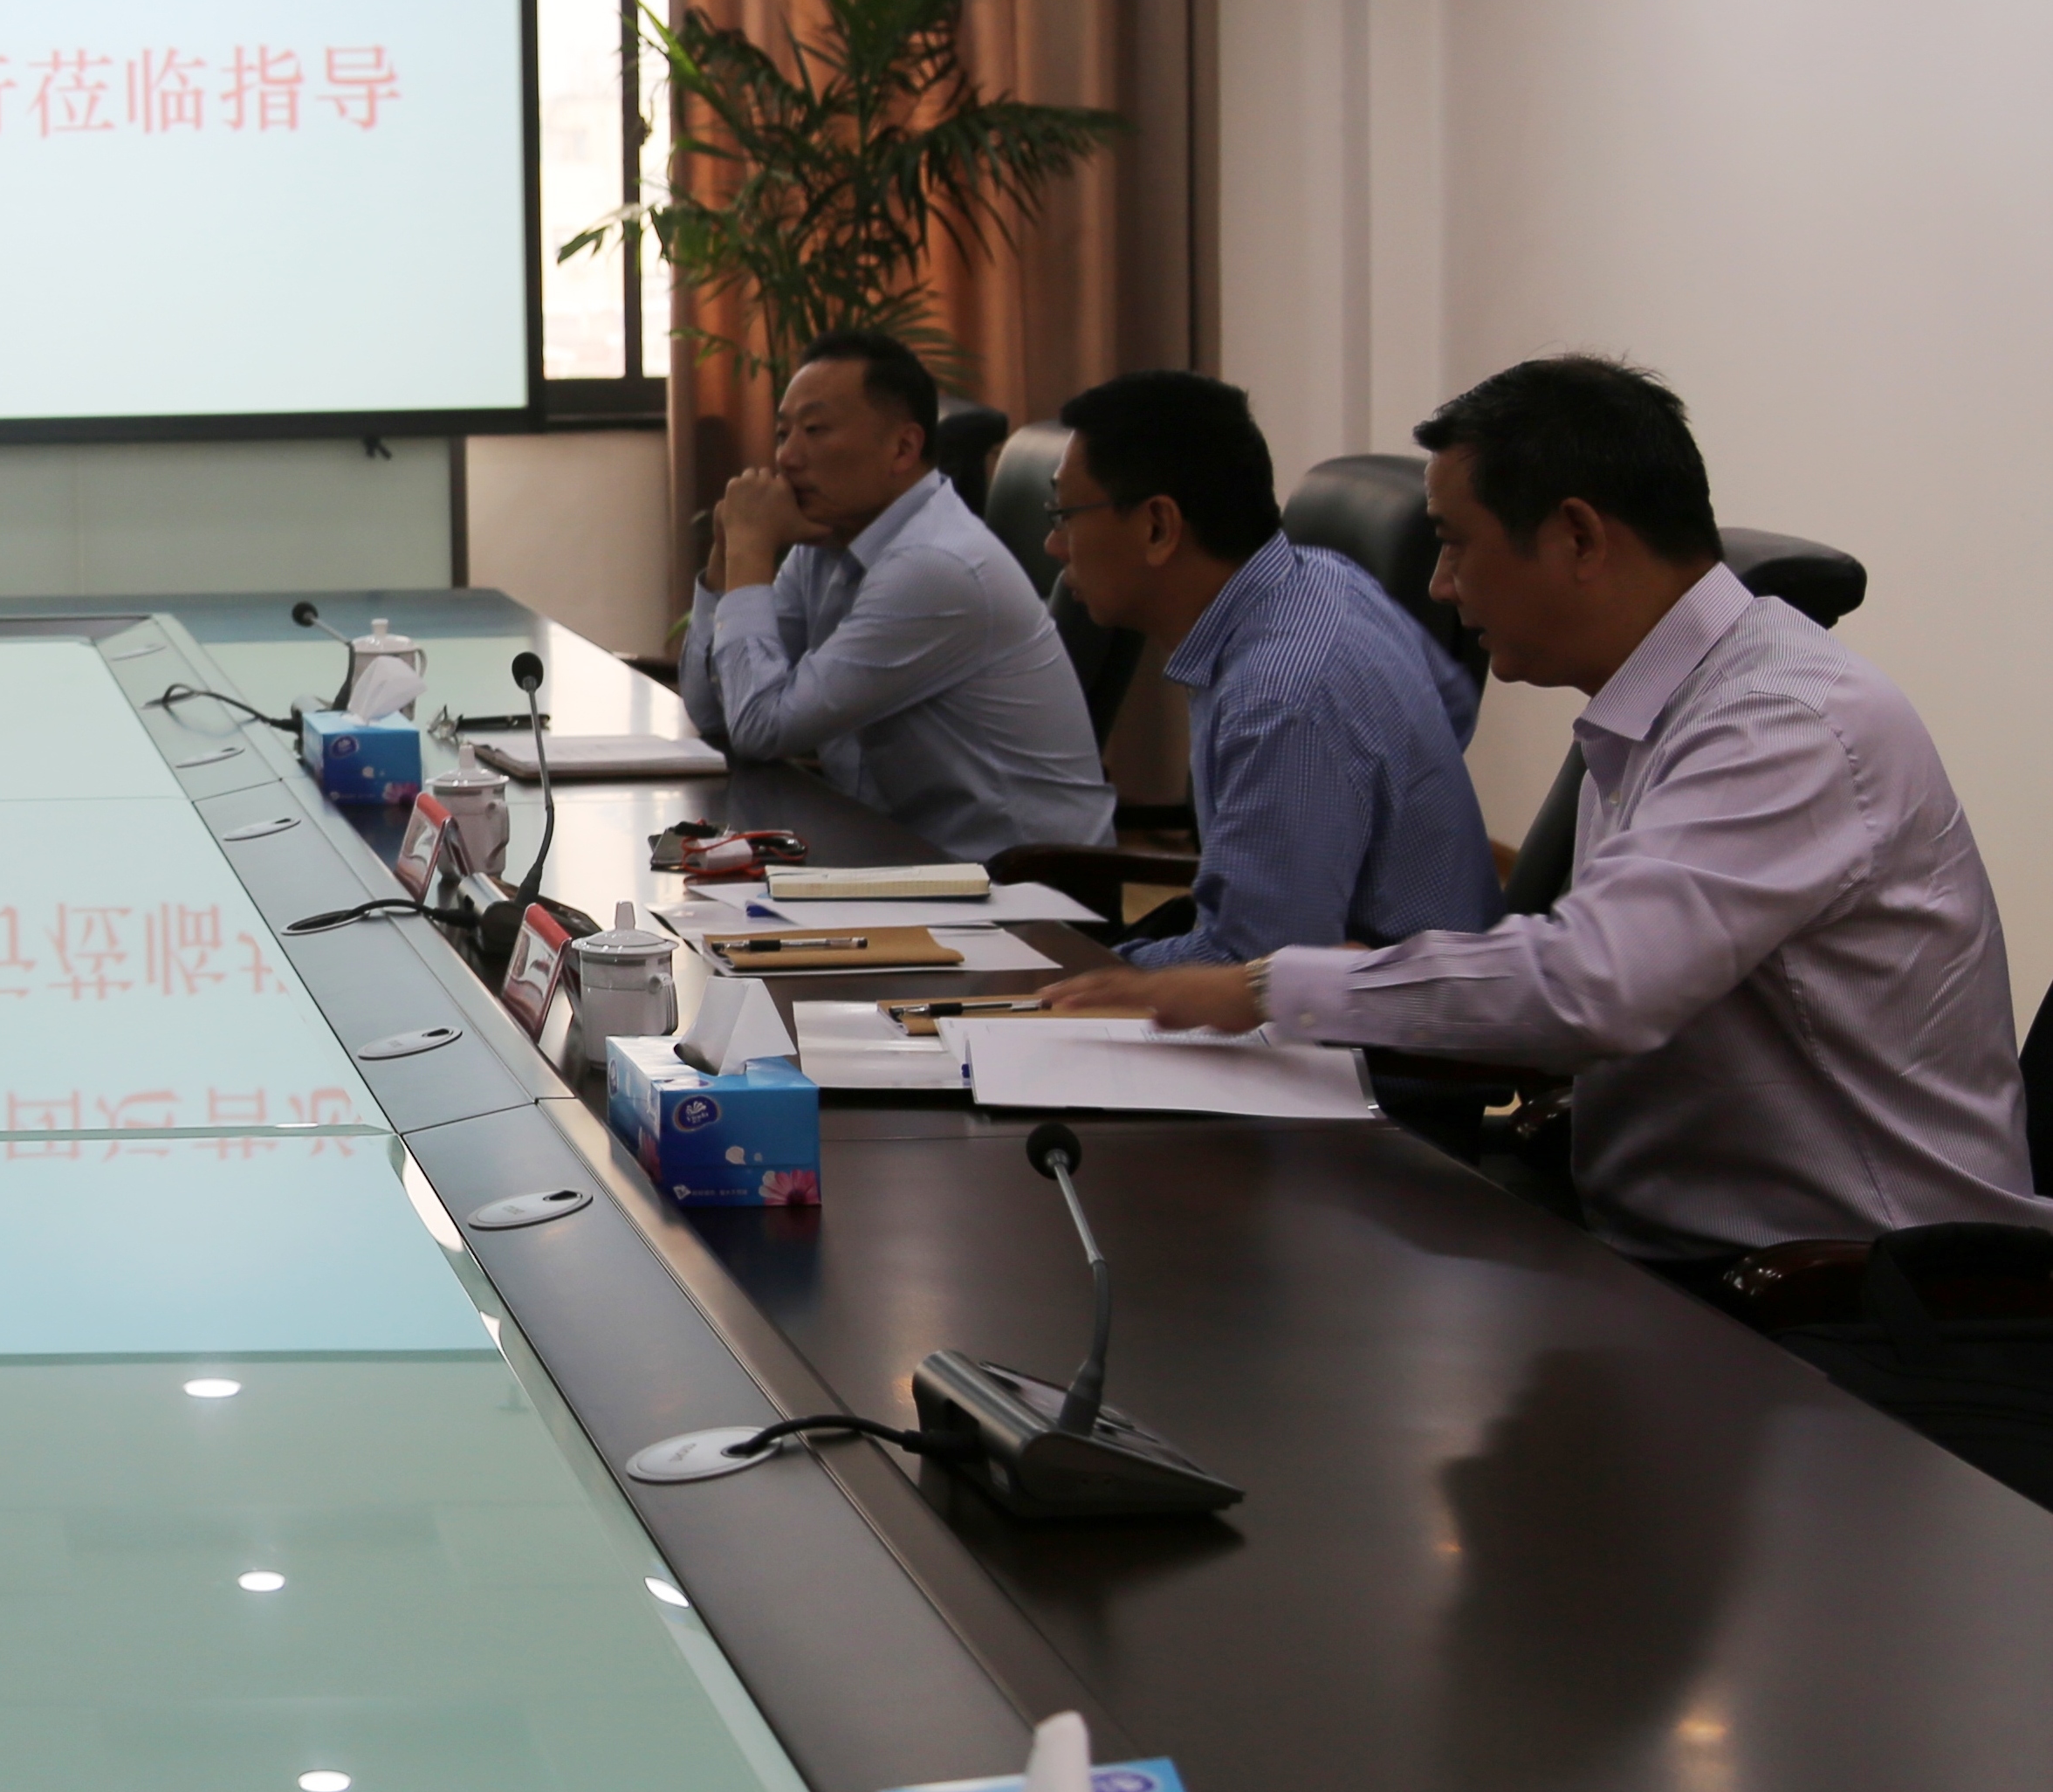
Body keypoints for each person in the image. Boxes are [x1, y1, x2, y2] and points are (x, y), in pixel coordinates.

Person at [1047, 356, 2048, 1266]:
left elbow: (1592, 985)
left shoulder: (1781, 724)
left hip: (1853, 1303)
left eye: (1455, 545)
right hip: (1677, 1247)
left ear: (1576, 536)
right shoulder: (1671, 701)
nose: (1440, 585)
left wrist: (1271, 986)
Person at [1044, 369, 1501, 965]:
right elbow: (1453, 709)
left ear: (1158, 526)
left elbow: (1255, 969)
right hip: (1376, 987)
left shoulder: (1282, 696)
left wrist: (1075, 979)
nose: (1055, 545)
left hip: (1386, 1020)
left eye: (1065, 515)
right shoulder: (1326, 577)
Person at [679, 329, 1114, 858]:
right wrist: (726, 555)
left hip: (1021, 882)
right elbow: (715, 716)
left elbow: (760, 728)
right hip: (899, 854)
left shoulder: (934, 567)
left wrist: (751, 551)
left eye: (814, 430)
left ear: (903, 447)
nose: (787, 458)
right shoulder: (828, 539)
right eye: (782, 433)